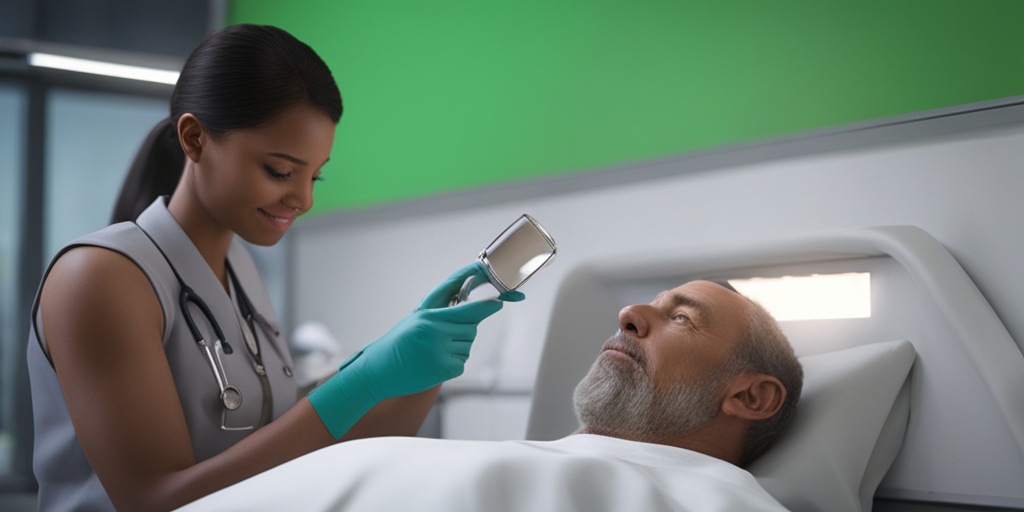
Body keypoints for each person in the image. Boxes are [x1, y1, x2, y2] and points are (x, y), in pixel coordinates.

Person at [26, 24, 521, 512]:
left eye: (315, 175)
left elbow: (311, 457)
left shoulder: (240, 271)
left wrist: (421, 370)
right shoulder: (98, 278)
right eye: (280, 171)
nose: (303, 198)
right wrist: (359, 382)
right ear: (195, 139)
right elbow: (153, 503)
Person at [176, 280, 804, 512]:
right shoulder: (542, 459)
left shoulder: (709, 499)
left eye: (683, 319)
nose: (629, 312)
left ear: (752, 398)